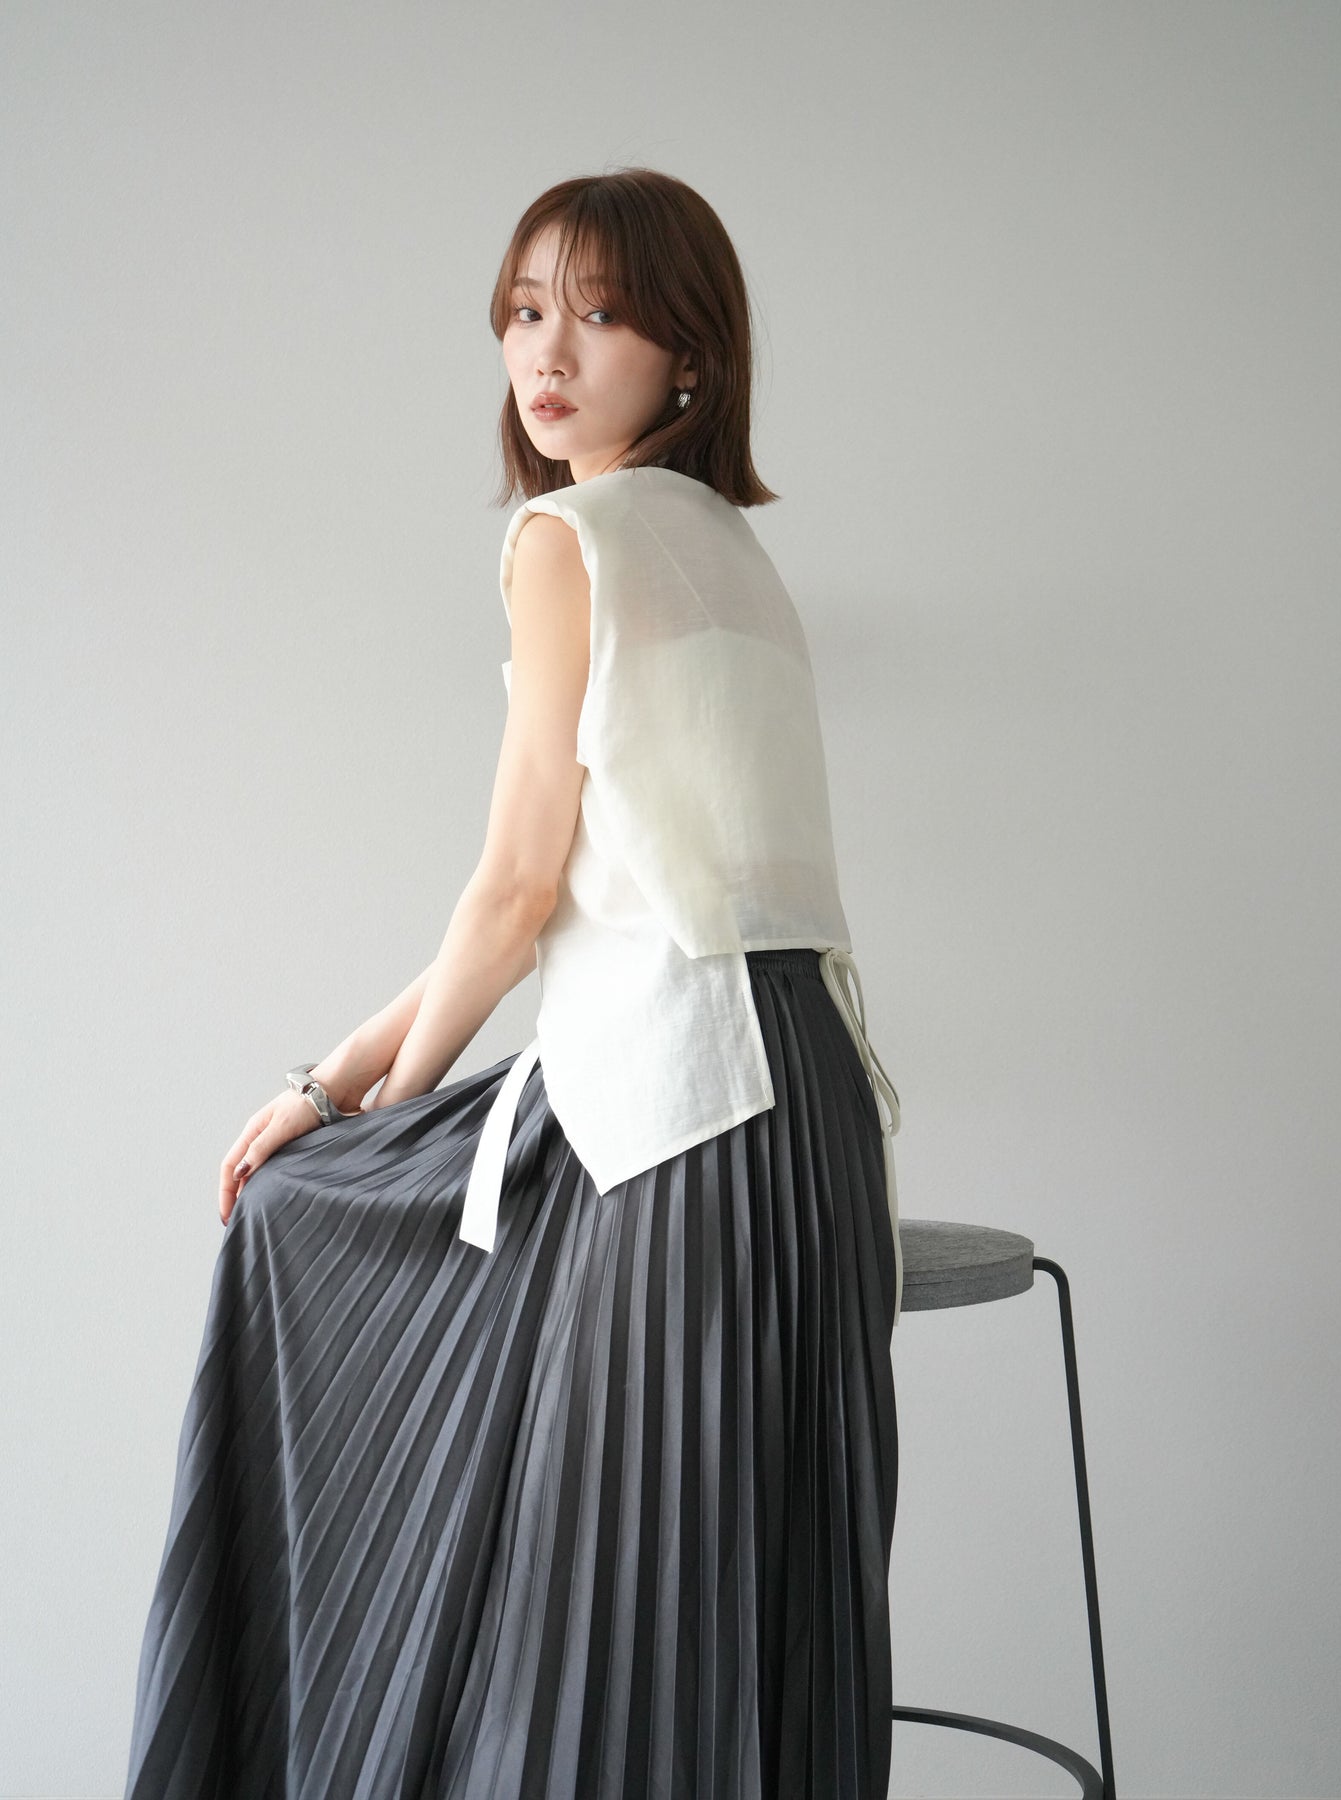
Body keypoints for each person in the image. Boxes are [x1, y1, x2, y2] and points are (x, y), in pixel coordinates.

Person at [122, 167, 903, 1800]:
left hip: (681, 1115)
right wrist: (343, 1071)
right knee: (737, 1587)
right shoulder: (728, 549)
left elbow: (514, 888)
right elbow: (577, 904)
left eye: (600, 316)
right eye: (525, 312)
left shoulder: (566, 537)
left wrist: (349, 1108)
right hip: (810, 1111)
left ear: (688, 355)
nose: (548, 353)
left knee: (618, 1606)